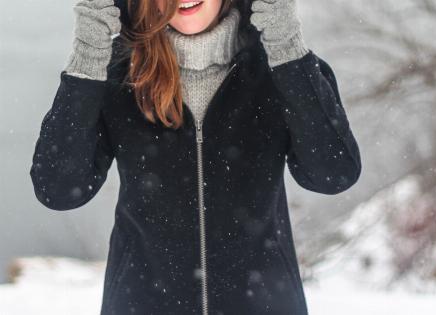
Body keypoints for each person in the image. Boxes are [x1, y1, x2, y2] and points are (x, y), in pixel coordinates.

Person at [29, 0, 362, 314]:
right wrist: (88, 57)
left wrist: (286, 45)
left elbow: (333, 174)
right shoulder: (119, 75)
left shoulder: (283, 68)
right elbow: (58, 189)